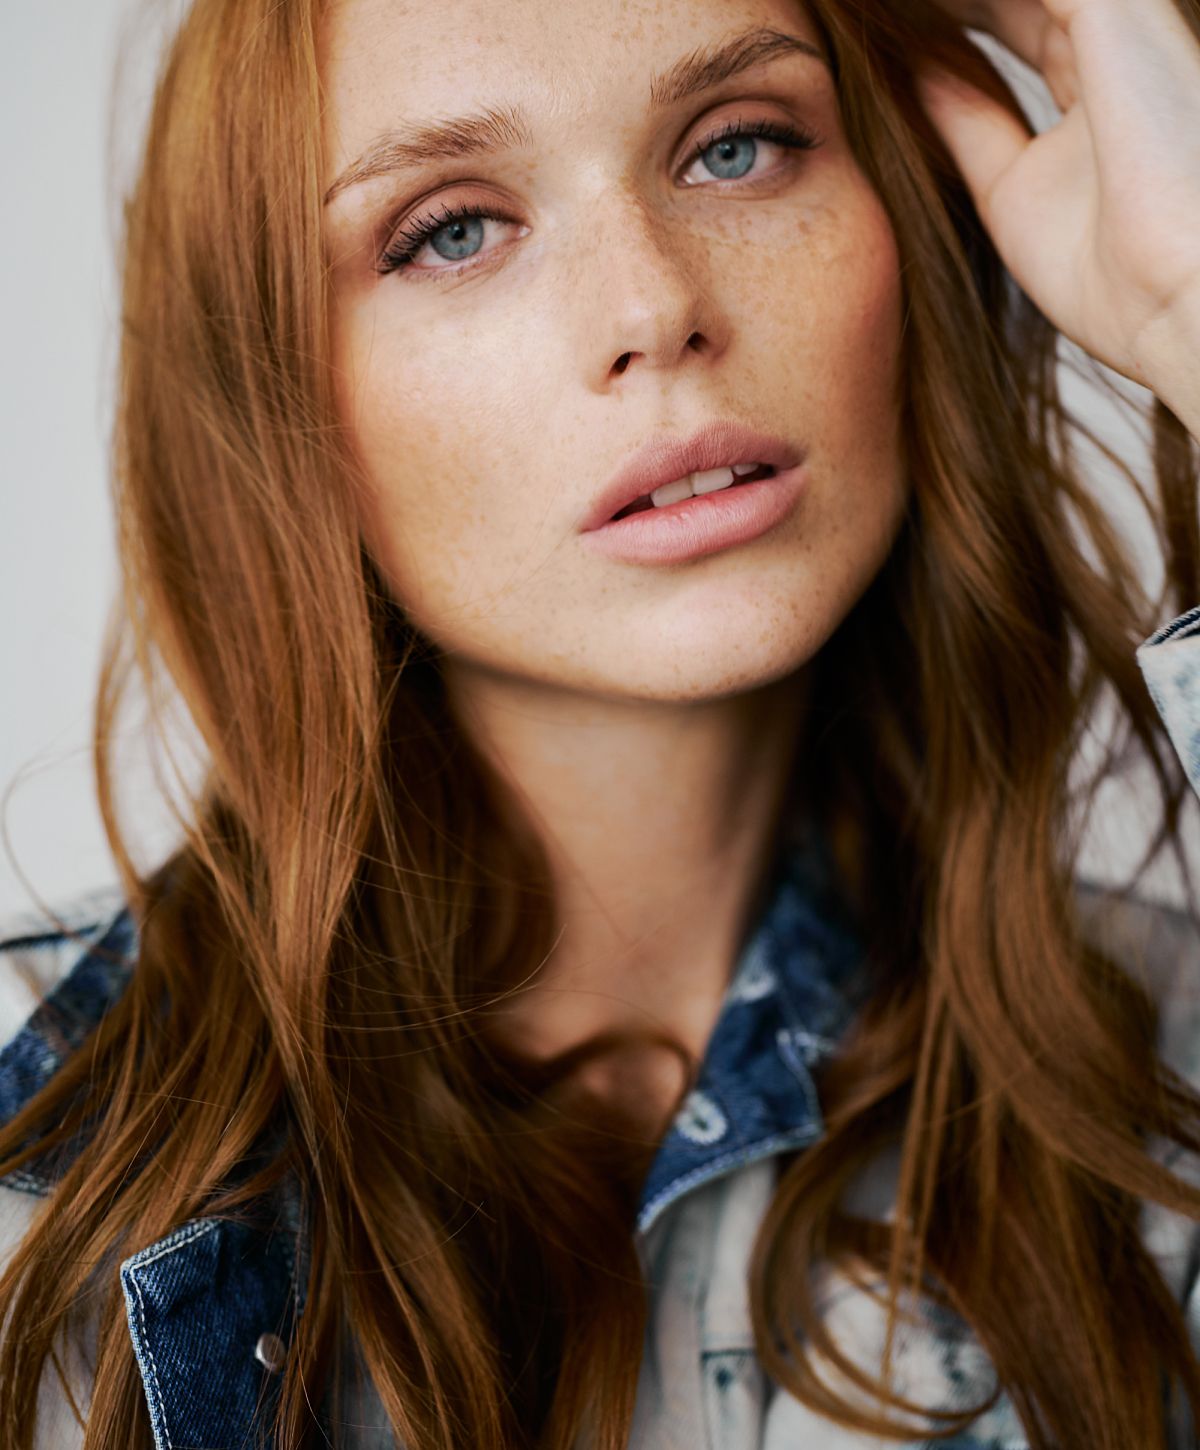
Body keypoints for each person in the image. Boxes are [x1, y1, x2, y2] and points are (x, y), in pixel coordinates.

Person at [2, 0, 1200, 1445]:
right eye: (452, 230)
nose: (653, 307)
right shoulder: (33, 1164)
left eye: (737, 147)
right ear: (274, 400)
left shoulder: (1164, 1075)